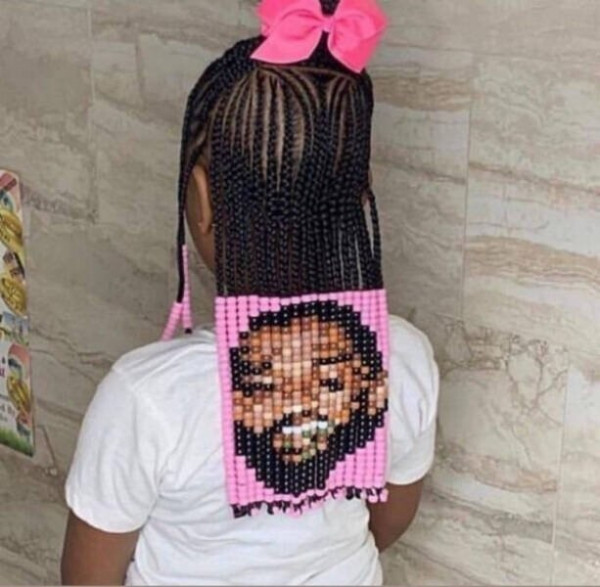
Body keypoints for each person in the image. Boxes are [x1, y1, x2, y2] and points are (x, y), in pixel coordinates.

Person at [60, 0, 440, 584]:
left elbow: (88, 577)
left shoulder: (147, 398)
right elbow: (390, 519)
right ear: (359, 199)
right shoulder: (404, 356)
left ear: (203, 203)